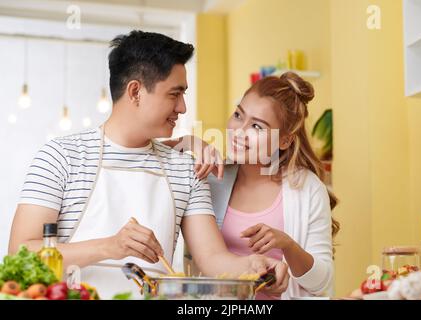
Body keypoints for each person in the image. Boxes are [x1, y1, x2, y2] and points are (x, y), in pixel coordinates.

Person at [8, 30, 289, 299]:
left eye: (183, 95)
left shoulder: (186, 170)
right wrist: (109, 247)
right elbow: (20, 253)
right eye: (174, 94)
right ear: (135, 92)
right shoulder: (60, 157)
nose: (183, 108)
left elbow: (214, 258)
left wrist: (255, 266)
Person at [169, 72, 339, 299]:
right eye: (238, 115)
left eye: (257, 127)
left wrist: (288, 245)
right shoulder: (211, 178)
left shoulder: (307, 189)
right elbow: (150, 157)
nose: (239, 131)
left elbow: (322, 282)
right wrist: (190, 142)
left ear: (285, 140)